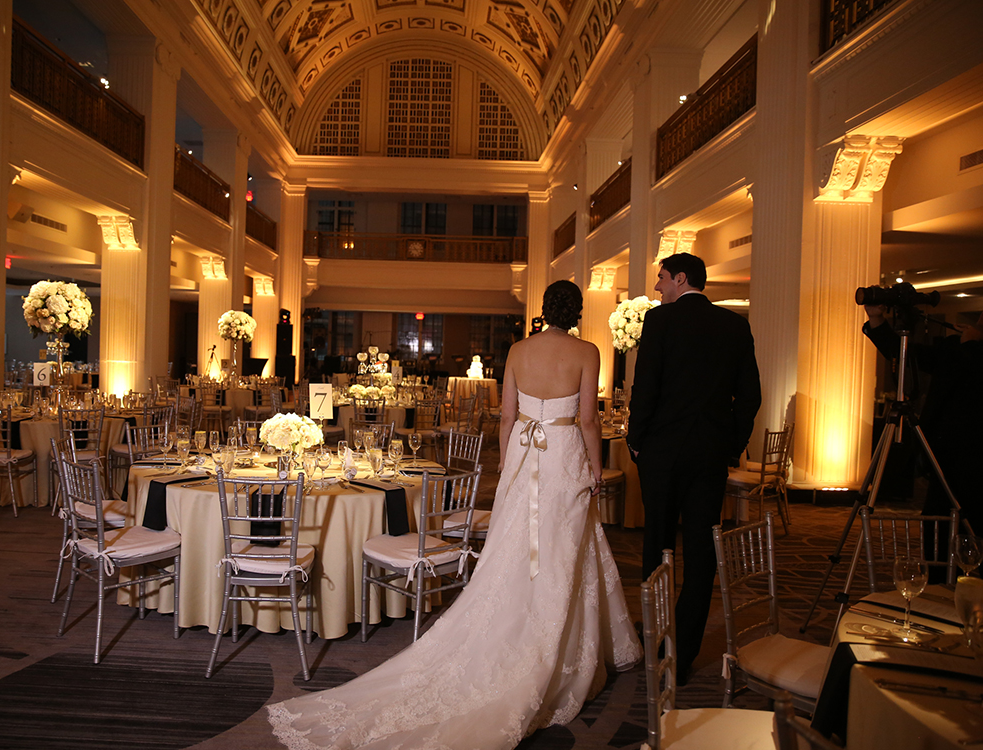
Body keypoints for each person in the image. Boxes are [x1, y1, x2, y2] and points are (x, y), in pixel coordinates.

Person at [268, 280, 640, 749]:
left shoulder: (520, 350)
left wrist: (508, 467)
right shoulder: (587, 351)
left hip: (525, 458)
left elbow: (506, 418)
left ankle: (520, 629)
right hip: (564, 457)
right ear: (579, 311)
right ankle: (554, 645)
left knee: (515, 552)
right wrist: (594, 469)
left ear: (544, 310)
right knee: (564, 550)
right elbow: (587, 421)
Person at [627, 253, 761, 682]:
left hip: (662, 454)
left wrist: (636, 439)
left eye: (662, 279)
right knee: (702, 553)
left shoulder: (660, 322)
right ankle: (682, 655)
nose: (658, 288)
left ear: (681, 279)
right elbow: (751, 396)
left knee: (657, 547)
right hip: (709, 457)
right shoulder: (734, 326)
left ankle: (656, 641)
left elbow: (646, 386)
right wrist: (730, 447)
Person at [862, 304, 983, 535]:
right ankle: (938, 571)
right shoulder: (954, 348)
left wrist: (970, 344)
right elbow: (907, 354)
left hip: (977, 460)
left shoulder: (969, 349)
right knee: (936, 524)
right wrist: (877, 320)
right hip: (943, 454)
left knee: (973, 527)